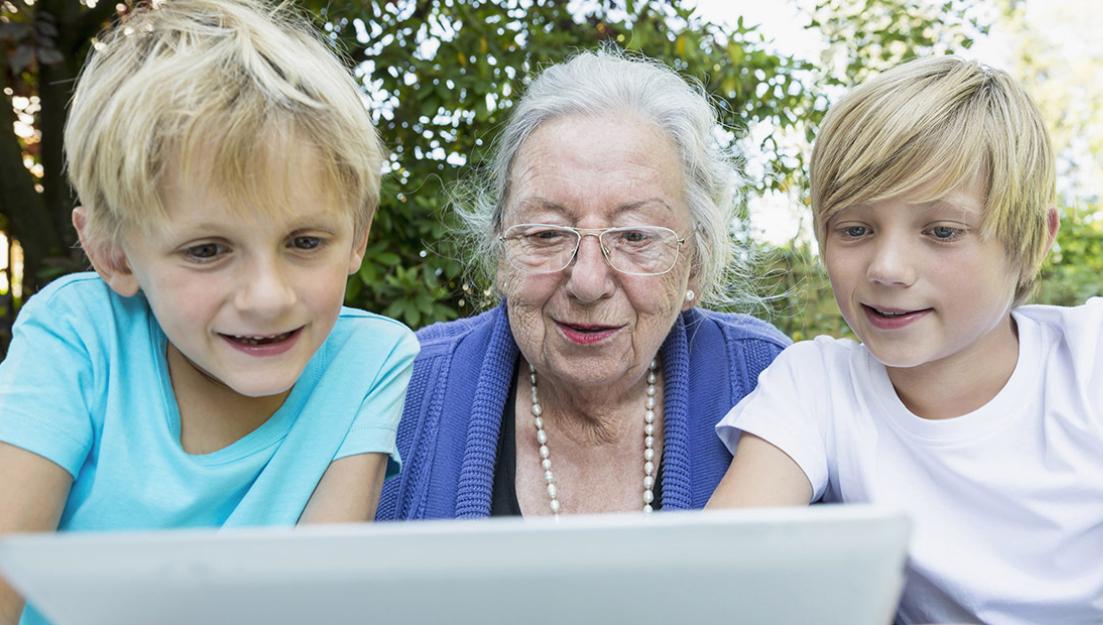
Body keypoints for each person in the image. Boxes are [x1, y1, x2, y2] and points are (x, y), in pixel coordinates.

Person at [708, 56, 1103, 624]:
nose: (887, 268)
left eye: (942, 232)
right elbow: (714, 581)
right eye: (855, 229)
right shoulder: (814, 386)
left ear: (1032, 241)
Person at [0, 0, 418, 622]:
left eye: (305, 242)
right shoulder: (78, 333)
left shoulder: (370, 362)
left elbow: (316, 602)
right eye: (206, 250)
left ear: (356, 236)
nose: (268, 296)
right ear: (111, 253)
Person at [376, 49, 790, 520]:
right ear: (500, 253)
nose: (588, 282)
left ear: (694, 264)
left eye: (636, 236)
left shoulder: (768, 384)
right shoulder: (401, 394)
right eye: (546, 234)